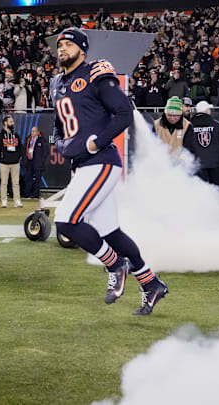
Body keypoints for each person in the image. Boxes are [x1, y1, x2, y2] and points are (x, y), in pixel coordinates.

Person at [51, 27, 168, 316]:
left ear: (82, 49)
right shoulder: (55, 82)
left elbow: (125, 112)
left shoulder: (95, 73)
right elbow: (58, 123)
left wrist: (95, 144)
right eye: (59, 44)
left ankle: (115, 264)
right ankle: (151, 282)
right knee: (109, 231)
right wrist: (61, 143)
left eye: (67, 44)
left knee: (65, 222)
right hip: (82, 165)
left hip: (101, 161)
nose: (61, 48)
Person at [189, 101, 219, 187]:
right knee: (215, 190)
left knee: (201, 190)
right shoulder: (217, 126)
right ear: (207, 111)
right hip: (215, 163)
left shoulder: (189, 126)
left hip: (197, 164)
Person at [0, 116, 23, 208]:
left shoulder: (16, 134)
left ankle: (17, 200)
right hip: (4, 163)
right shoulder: (0, 135)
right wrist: (1, 158)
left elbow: (20, 147)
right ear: (5, 123)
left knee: (16, 183)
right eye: (10, 121)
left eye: (13, 121)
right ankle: (4, 201)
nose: (13, 123)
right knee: (4, 182)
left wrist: (17, 157)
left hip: (15, 162)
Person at [22, 126, 48, 199]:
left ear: (38, 132)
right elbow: (24, 150)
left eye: (34, 131)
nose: (32, 133)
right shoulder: (28, 139)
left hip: (38, 163)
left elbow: (46, 151)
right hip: (29, 162)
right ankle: (27, 194)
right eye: (32, 131)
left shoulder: (42, 140)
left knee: (37, 179)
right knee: (28, 178)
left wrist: (42, 160)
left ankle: (35, 194)